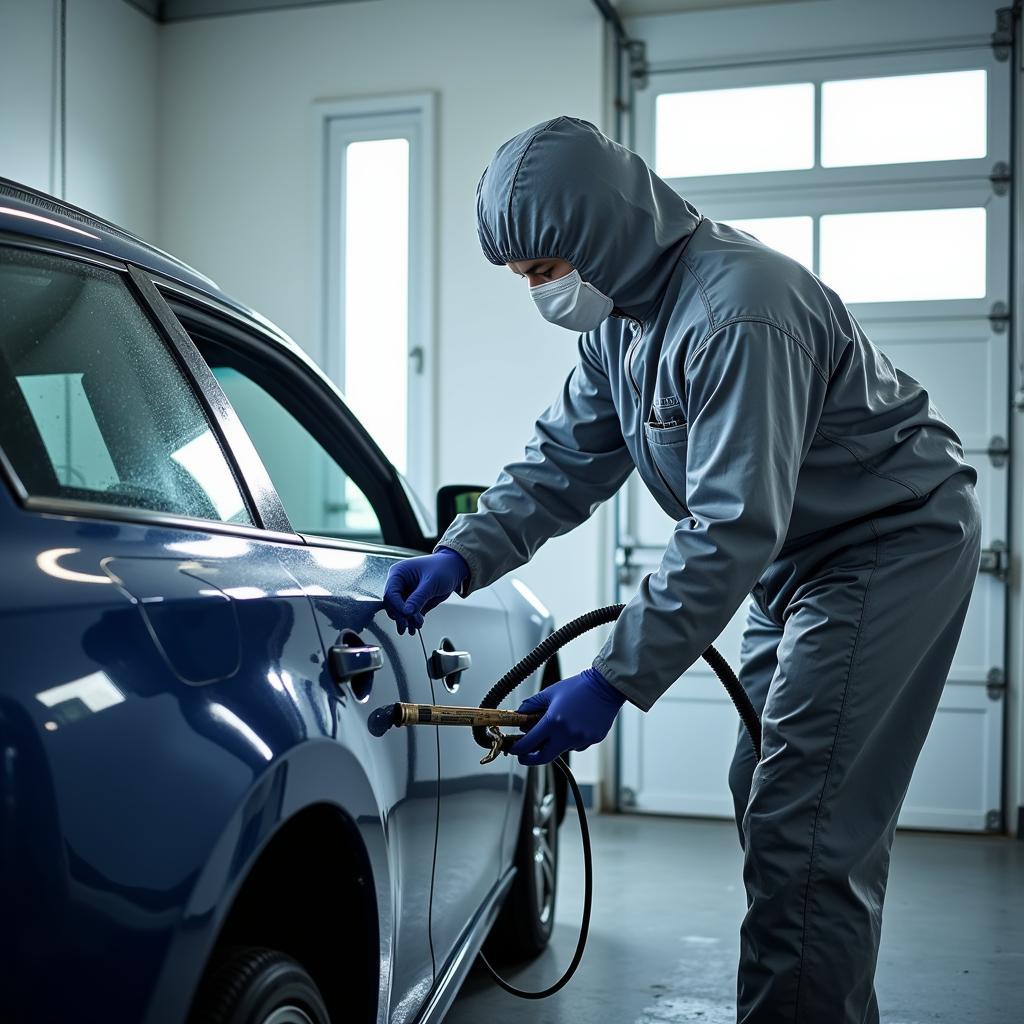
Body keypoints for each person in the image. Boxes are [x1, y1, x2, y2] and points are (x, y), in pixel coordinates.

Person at [382, 115, 981, 1024]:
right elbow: (562, 462)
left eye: (543, 270)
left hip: (888, 543)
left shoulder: (741, 310)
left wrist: (612, 679)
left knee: (807, 823)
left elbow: (732, 525)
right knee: (770, 788)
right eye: (523, 278)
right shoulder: (624, 324)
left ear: (598, 232)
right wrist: (462, 554)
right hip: (800, 560)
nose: (538, 292)